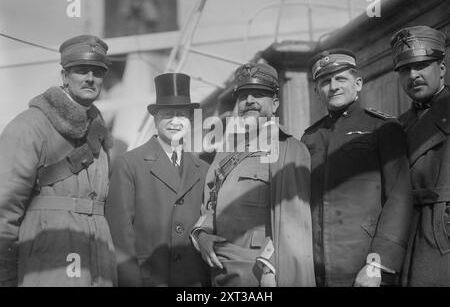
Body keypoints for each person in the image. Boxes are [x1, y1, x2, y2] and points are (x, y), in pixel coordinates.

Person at [0, 35, 117, 286]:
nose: (90, 78)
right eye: (81, 71)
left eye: (97, 72)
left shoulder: (100, 134)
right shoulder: (29, 127)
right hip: (47, 265)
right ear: (64, 76)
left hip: (98, 265)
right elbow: (4, 211)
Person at [190, 62, 315, 287]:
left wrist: (271, 266)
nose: (249, 102)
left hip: (258, 271)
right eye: (244, 96)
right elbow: (210, 202)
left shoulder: (289, 149)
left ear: (274, 103)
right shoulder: (226, 150)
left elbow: (294, 225)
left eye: (258, 95)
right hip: (219, 269)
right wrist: (202, 233)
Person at [301, 49, 413, 287]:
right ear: (316, 91)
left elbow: (399, 197)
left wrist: (378, 263)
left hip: (364, 264)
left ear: (358, 83)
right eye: (325, 82)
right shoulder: (310, 137)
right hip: (316, 266)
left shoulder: (383, 127)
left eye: (341, 79)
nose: (333, 86)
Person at [105, 72, 210, 286]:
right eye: (167, 114)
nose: (175, 121)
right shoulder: (129, 165)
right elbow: (120, 240)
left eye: (181, 114)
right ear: (155, 119)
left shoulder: (204, 169)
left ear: (190, 120)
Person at [390, 25, 450, 286]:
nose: (413, 75)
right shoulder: (395, 127)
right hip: (405, 238)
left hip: (441, 238)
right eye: (405, 69)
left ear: (442, 68)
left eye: (422, 65)